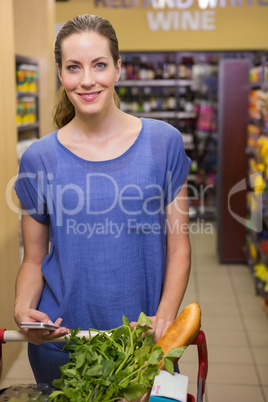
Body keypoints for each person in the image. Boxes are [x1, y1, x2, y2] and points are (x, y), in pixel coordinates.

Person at [14, 14, 192, 385]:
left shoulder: (164, 144)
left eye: (99, 65)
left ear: (119, 69)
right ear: (61, 74)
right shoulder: (38, 158)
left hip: (142, 344)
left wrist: (164, 318)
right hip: (62, 345)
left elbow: (178, 248)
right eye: (74, 68)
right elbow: (33, 258)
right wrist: (22, 309)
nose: (87, 80)